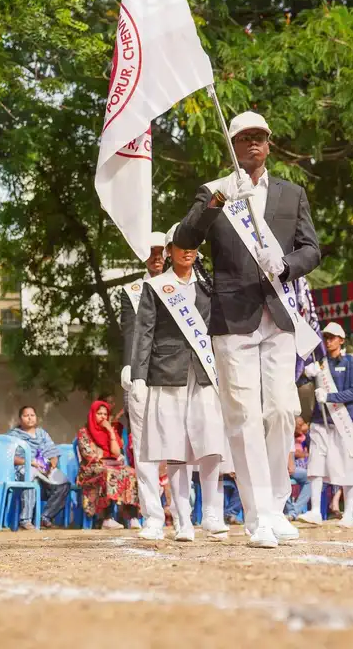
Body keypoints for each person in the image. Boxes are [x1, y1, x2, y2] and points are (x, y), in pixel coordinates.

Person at [173, 111, 321, 549]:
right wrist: (216, 201)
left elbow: (311, 249)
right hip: (232, 318)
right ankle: (257, 517)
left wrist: (288, 264)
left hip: (278, 316)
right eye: (244, 139)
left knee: (281, 412)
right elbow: (185, 238)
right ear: (233, 145)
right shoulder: (214, 192)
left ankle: (277, 505)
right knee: (244, 418)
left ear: (269, 144)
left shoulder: (291, 194)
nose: (253, 145)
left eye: (260, 138)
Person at [128, 224, 229, 542]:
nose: (188, 250)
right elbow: (144, 333)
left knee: (211, 443)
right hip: (167, 375)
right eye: (181, 245)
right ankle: (183, 520)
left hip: (203, 375)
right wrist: (138, 376)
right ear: (168, 250)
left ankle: (212, 512)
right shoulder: (156, 287)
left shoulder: (208, 287)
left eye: (194, 245)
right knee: (174, 448)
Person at [118, 230, 168, 539]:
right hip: (143, 376)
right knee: (145, 445)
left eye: (162, 250)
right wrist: (128, 363)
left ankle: (185, 512)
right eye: (151, 251)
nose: (157, 256)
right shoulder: (132, 290)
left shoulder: (185, 287)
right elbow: (131, 329)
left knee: (180, 445)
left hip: (176, 375)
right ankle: (152, 515)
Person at [298, 323, 353, 528]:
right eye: (326, 337)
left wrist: (330, 396)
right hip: (320, 422)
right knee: (315, 465)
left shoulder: (350, 362)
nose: (328, 341)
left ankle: (349, 514)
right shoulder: (320, 364)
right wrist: (306, 374)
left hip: (343, 422)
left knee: (347, 467)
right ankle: (315, 511)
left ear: (341, 339)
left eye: (332, 337)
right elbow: (302, 388)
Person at [76, 400, 139, 528]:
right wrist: (105, 459)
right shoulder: (84, 432)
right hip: (90, 470)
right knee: (110, 473)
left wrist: (110, 431)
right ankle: (106, 518)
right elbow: (89, 455)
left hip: (110, 465)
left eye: (105, 414)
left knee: (132, 473)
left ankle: (132, 517)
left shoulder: (109, 431)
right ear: (93, 414)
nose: (103, 417)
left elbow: (116, 453)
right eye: (99, 413)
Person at [8, 406, 71, 530]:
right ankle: (25, 520)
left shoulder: (42, 434)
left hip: (43, 467)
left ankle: (45, 517)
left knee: (64, 483)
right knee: (31, 478)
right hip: (24, 466)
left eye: (32, 415)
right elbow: (9, 457)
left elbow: (53, 454)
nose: (30, 418)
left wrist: (52, 466)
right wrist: (30, 463)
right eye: (26, 415)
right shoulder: (14, 435)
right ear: (20, 419)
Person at [284, 416, 311, 519]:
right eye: (300, 424)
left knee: (310, 479)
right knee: (281, 479)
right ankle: (292, 512)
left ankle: (293, 512)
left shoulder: (303, 437)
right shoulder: (286, 434)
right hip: (281, 467)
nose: (303, 426)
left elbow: (307, 453)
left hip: (295, 467)